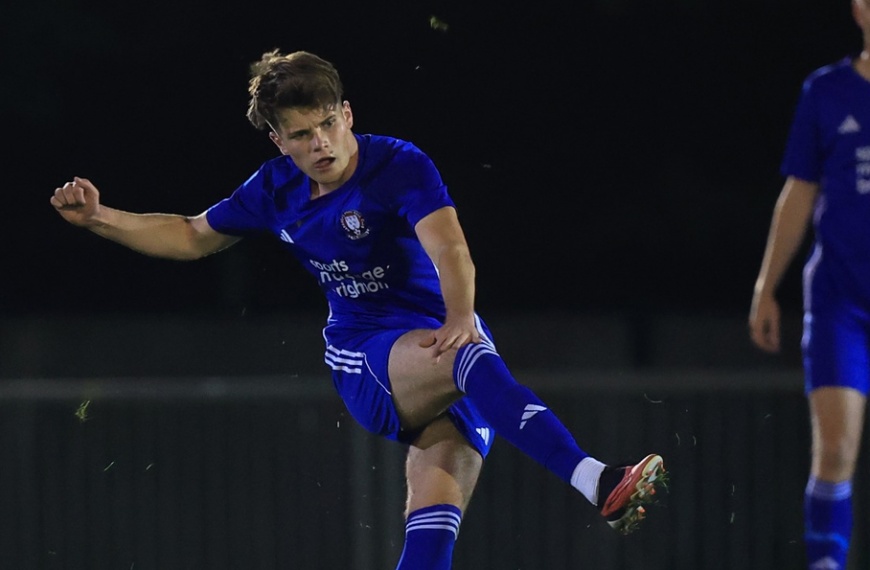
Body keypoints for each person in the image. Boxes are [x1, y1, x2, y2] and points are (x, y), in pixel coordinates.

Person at [51, 49, 667, 568]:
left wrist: (458, 319)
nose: (319, 143)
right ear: (278, 141)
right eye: (300, 134)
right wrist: (100, 218)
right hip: (366, 355)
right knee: (465, 359)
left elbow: (449, 245)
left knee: (434, 513)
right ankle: (597, 480)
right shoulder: (274, 189)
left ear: (347, 114)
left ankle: (585, 476)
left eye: (326, 124)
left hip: (443, 343)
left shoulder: (398, 164)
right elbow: (190, 234)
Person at [749, 2, 870, 569]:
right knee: (837, 448)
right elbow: (798, 193)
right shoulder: (826, 90)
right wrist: (766, 286)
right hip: (841, 300)